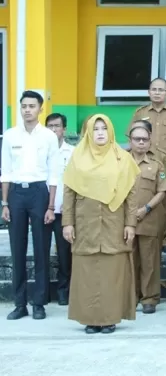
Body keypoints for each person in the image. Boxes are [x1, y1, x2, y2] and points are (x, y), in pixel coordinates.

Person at [62, 114, 140, 334]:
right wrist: (67, 223)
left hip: (113, 225)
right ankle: (90, 319)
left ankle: (110, 318)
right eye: (95, 129)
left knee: (111, 274)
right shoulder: (77, 158)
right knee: (87, 274)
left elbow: (131, 196)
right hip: (84, 225)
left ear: (111, 132)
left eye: (103, 128)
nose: (99, 133)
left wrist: (130, 224)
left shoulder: (122, 159)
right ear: (88, 132)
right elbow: (69, 193)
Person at [1, 90, 60, 321]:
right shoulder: (10, 135)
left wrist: (50, 206)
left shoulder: (48, 136)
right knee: (17, 250)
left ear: (40, 108)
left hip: (39, 193)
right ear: (20, 108)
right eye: (24, 106)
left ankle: (39, 303)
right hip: (16, 193)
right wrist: (5, 203)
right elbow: (5, 171)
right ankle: (19, 304)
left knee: (41, 250)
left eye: (32, 106)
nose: (27, 110)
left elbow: (54, 174)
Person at [127, 77, 166, 254]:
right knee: (146, 199)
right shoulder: (140, 112)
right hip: (145, 164)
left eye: (161, 90)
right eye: (154, 89)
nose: (157, 92)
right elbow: (131, 136)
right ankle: (148, 235)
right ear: (149, 92)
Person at [128, 122, 166, 313]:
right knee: (129, 260)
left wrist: (146, 208)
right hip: (125, 221)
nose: (141, 143)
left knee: (149, 260)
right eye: (137, 139)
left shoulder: (156, 164)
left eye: (145, 139)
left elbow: (162, 191)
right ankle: (131, 296)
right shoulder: (121, 162)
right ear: (130, 140)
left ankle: (149, 298)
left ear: (150, 141)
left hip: (149, 218)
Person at [45, 112, 75, 306]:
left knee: (65, 253)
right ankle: (43, 292)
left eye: (57, 126)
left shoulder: (72, 152)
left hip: (64, 210)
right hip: (42, 210)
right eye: (50, 126)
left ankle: (64, 291)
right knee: (42, 251)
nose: (53, 129)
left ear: (64, 129)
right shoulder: (40, 150)